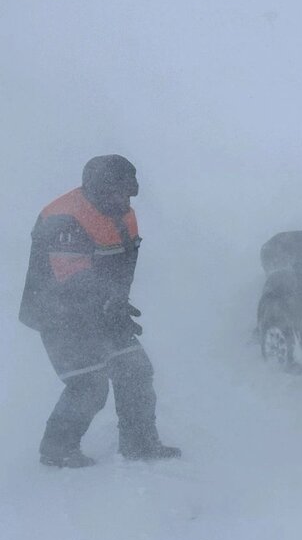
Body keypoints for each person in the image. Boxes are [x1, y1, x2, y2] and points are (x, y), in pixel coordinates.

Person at [19, 155, 181, 467]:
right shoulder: (63, 219)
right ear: (95, 189)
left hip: (104, 309)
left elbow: (123, 265)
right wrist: (108, 302)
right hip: (59, 312)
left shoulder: (124, 214)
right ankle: (57, 451)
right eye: (115, 193)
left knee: (136, 370)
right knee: (89, 384)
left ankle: (140, 444)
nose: (122, 200)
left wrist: (119, 302)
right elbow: (73, 280)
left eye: (127, 194)